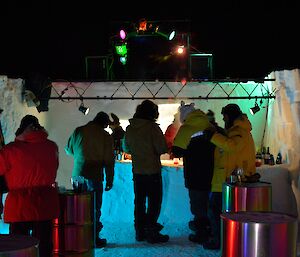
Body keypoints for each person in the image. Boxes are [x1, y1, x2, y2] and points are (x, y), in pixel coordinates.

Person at [0, 115, 60, 257]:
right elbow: (54, 168)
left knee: (19, 247)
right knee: (45, 245)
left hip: (20, 205)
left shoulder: (10, 150)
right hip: (45, 202)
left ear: (21, 129)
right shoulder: (52, 147)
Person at [203, 103, 256, 250]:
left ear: (228, 116)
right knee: (221, 212)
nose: (223, 119)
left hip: (228, 181)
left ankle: (218, 241)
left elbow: (231, 146)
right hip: (226, 179)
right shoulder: (237, 131)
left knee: (215, 212)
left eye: (224, 116)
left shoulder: (239, 132)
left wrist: (214, 136)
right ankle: (225, 240)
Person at [65, 111, 115, 248]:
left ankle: (76, 238)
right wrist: (110, 179)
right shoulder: (105, 136)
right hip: (94, 175)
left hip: (77, 175)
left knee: (77, 207)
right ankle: (92, 238)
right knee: (93, 208)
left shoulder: (79, 131)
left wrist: (80, 156)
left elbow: (68, 150)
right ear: (104, 123)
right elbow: (109, 161)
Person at [123, 100, 169, 244]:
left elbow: (126, 148)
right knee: (154, 203)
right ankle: (151, 232)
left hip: (138, 171)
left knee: (139, 203)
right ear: (152, 113)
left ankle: (139, 232)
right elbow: (162, 148)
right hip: (153, 172)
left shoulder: (130, 128)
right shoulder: (152, 128)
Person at [171, 101, 216, 244]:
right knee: (210, 204)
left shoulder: (186, 128)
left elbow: (176, 150)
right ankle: (211, 231)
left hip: (195, 174)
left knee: (198, 205)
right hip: (213, 174)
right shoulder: (210, 126)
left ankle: (201, 234)